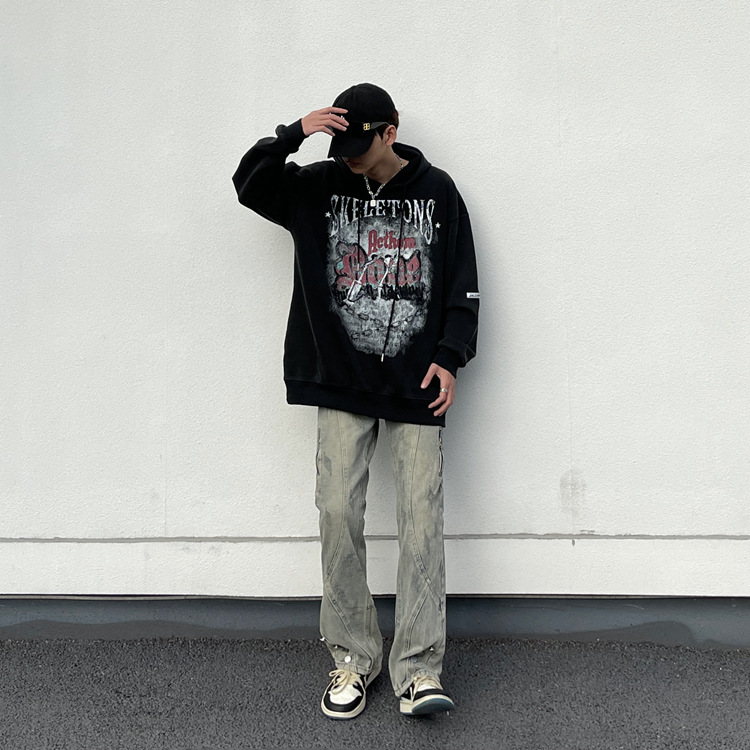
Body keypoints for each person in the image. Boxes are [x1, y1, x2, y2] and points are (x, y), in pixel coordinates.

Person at [232, 83, 479, 719]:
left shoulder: (438, 192)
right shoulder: (317, 186)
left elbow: (462, 284)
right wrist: (296, 133)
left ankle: (419, 670)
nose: (350, 161)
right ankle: (352, 657)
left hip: (416, 384)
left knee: (421, 520)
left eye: (360, 149)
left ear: (390, 132)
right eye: (340, 150)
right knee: (338, 513)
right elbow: (249, 184)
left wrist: (450, 357)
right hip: (339, 378)